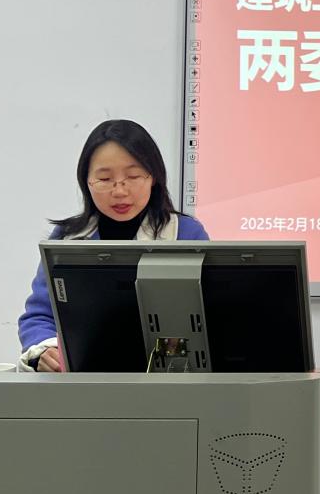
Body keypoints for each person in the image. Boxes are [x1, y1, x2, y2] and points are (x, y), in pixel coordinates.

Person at [18, 119, 208, 371]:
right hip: (85, 378)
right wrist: (46, 350)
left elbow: (211, 318)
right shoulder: (67, 237)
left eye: (133, 176)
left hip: (169, 374)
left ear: (153, 177)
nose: (119, 191)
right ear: (87, 182)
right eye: (105, 179)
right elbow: (39, 316)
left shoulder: (186, 233)